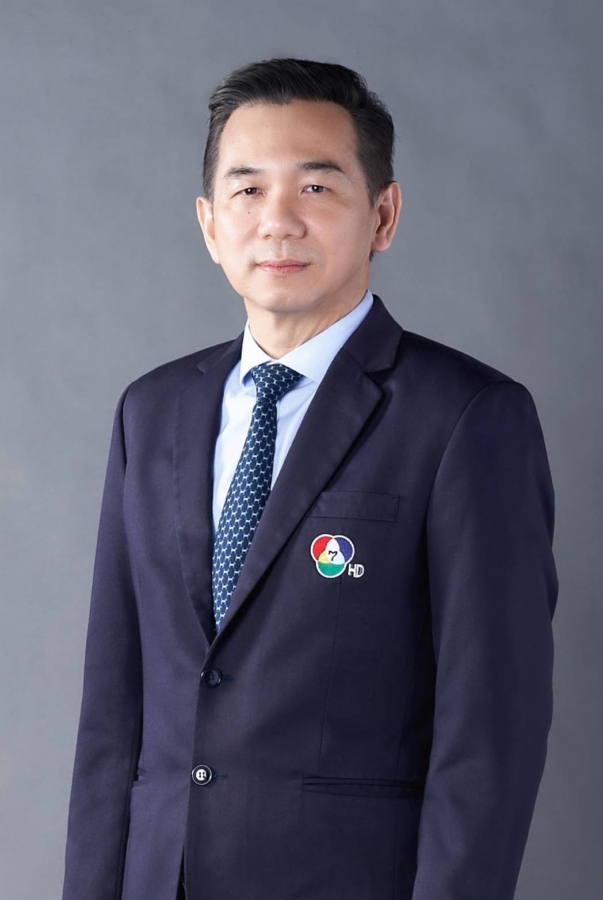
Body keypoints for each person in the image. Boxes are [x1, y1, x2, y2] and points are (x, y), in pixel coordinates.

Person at [61, 57, 559, 900]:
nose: (277, 221)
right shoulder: (150, 411)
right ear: (209, 222)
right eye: (247, 189)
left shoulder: (466, 417)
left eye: (317, 187)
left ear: (382, 215)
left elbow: (489, 735)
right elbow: (113, 712)